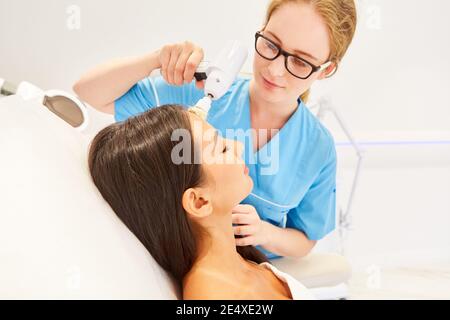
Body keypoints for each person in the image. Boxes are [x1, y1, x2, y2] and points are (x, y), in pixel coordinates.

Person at [74, 0, 357, 260]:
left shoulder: (317, 149)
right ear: (261, 31)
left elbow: (305, 239)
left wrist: (266, 233)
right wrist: (157, 59)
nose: (275, 70)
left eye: (300, 61)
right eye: (271, 44)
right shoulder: (198, 94)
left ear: (325, 70)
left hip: (252, 274)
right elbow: (88, 91)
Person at [88, 104, 315, 299]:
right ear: (198, 202)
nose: (239, 146)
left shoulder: (241, 262)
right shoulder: (213, 293)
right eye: (223, 148)